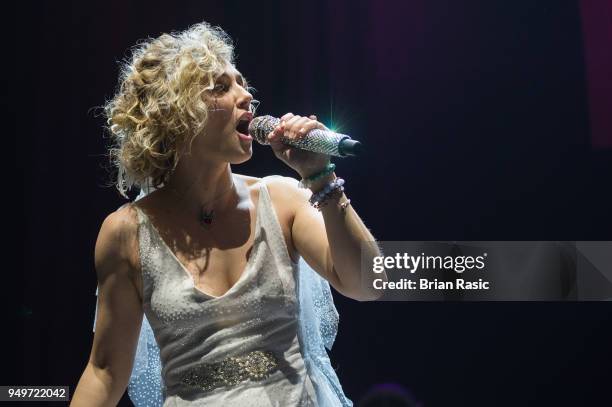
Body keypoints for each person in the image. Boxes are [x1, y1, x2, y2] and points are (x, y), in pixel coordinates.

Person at [72, 21, 382, 406]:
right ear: (175, 114)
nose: (246, 96)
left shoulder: (284, 198)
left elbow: (368, 283)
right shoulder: (126, 232)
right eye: (222, 87)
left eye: (242, 83)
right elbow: (104, 373)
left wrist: (321, 176)